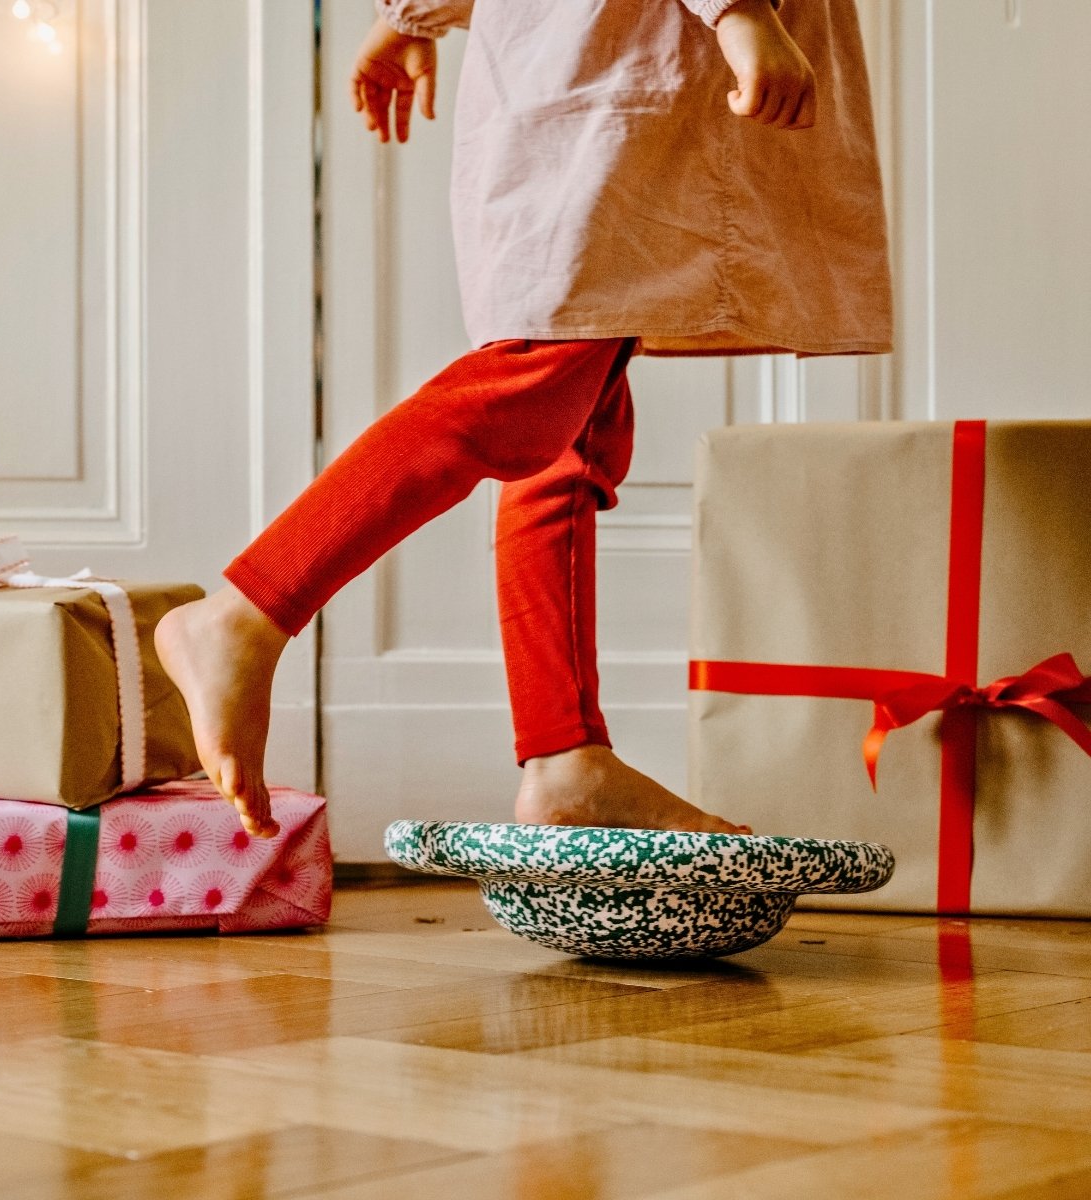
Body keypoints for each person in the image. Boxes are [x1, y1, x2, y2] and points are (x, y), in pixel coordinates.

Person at [156, 0, 892, 839]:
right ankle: (247, 612)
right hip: (631, 62)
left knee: (576, 419)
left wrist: (411, 15)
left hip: (597, 56)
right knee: (539, 382)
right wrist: (737, 12)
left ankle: (565, 757)